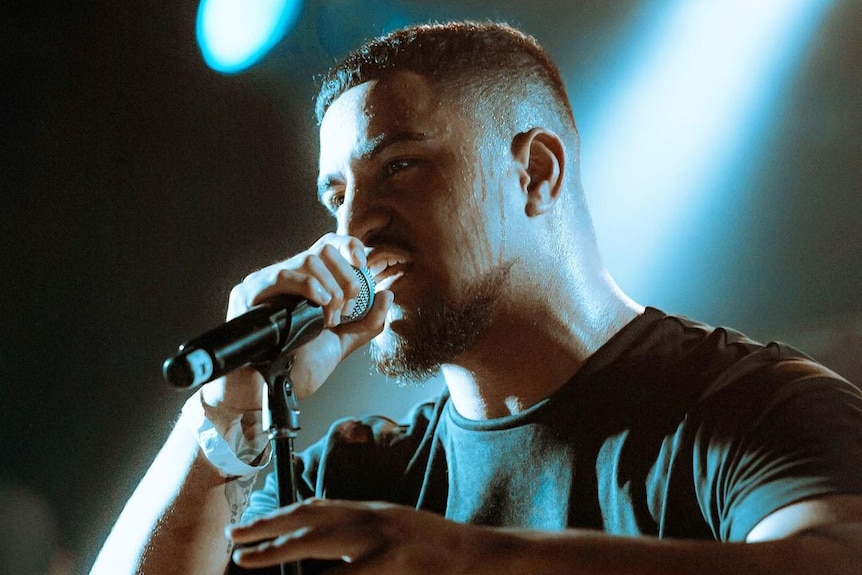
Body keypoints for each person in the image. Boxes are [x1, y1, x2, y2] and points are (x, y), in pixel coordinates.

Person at [92, 21, 862, 574]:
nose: (353, 227)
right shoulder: (359, 478)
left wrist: (472, 558)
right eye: (336, 195)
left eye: (399, 168)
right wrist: (226, 412)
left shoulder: (754, 407)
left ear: (535, 173)